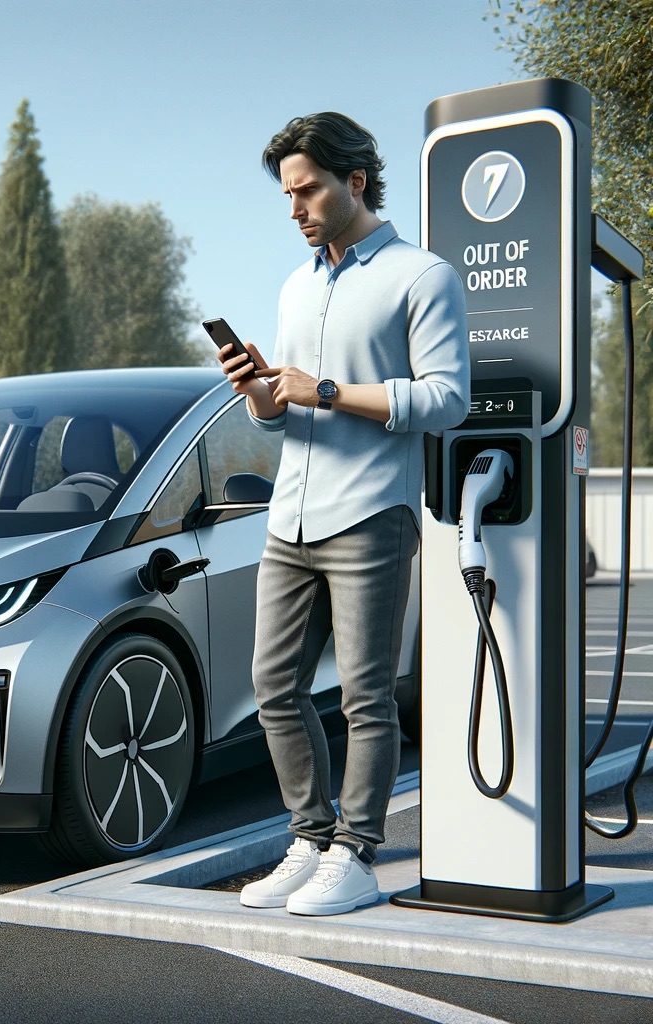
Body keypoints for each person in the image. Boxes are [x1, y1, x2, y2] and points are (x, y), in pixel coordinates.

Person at [216, 111, 470, 916]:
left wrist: (322, 387)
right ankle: (309, 838)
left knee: (365, 696)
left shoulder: (420, 276)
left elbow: (446, 400)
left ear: (355, 181)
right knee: (274, 687)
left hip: (370, 515)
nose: (295, 208)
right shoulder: (296, 285)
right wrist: (261, 393)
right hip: (290, 518)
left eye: (309, 190)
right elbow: (287, 415)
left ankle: (357, 855)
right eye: (287, 194)